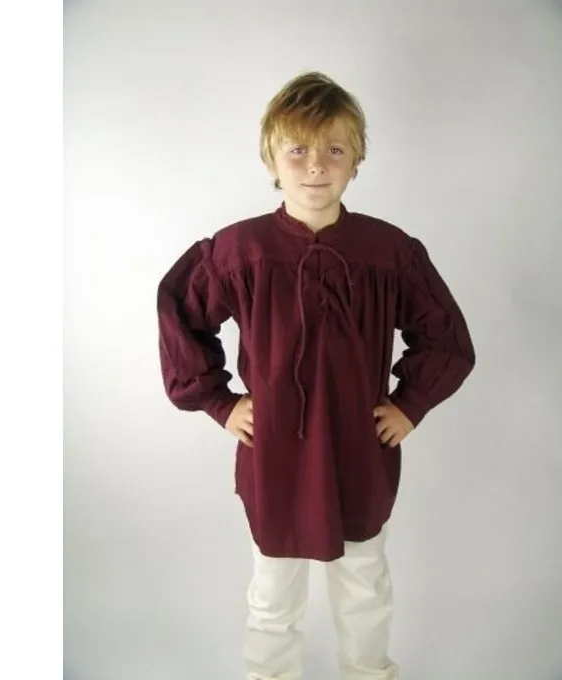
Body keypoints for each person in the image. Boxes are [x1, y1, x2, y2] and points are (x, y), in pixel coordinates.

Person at [157, 71, 475, 680]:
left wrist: (410, 404)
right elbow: (180, 312)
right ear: (271, 160)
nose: (315, 166)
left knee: (364, 588)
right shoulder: (240, 251)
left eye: (334, 148)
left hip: (360, 450)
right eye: (297, 149)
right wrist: (221, 403)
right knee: (273, 597)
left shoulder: (388, 252)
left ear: (357, 159)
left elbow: (445, 336)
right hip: (275, 453)